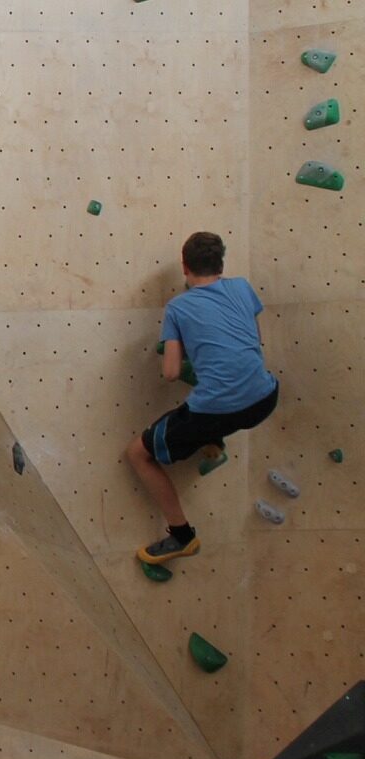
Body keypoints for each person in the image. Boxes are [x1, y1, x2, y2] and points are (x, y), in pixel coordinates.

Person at [127, 232, 278, 565]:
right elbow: (255, 340)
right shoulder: (241, 287)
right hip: (265, 397)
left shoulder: (178, 308)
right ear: (221, 264)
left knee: (138, 454)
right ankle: (214, 442)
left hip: (219, 411)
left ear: (185, 267)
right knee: (214, 394)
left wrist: (178, 348)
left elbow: (169, 372)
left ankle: (182, 537)